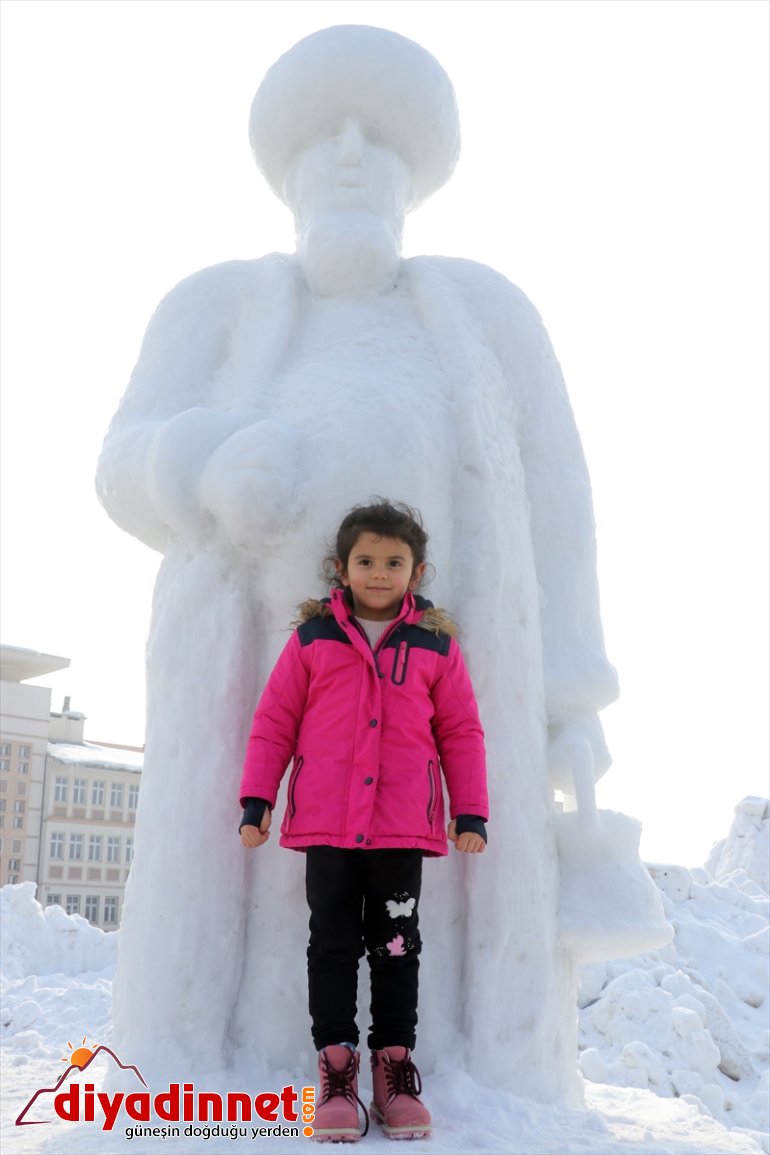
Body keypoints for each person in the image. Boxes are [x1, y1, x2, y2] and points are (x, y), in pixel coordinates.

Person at [97, 25, 622, 1100]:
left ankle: (423, 1067)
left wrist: (569, 694)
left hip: (437, 696)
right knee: (273, 898)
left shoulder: (483, 314)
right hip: (254, 674)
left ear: (415, 170)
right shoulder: (215, 304)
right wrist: (200, 466)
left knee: (409, 919)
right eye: (321, 134)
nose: (347, 154)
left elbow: (560, 506)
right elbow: (121, 461)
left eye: (377, 136)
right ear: (282, 169)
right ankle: (265, 1064)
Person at [239, 500, 488, 1142]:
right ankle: (337, 1070)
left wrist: (471, 812)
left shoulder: (434, 645)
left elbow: (460, 730)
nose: (380, 573)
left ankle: (394, 1068)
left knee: (397, 949)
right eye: (367, 560)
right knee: (332, 946)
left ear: (417, 570)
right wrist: (257, 800)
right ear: (342, 567)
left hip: (402, 829)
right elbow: (274, 721)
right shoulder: (314, 640)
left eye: (394, 562)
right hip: (326, 827)